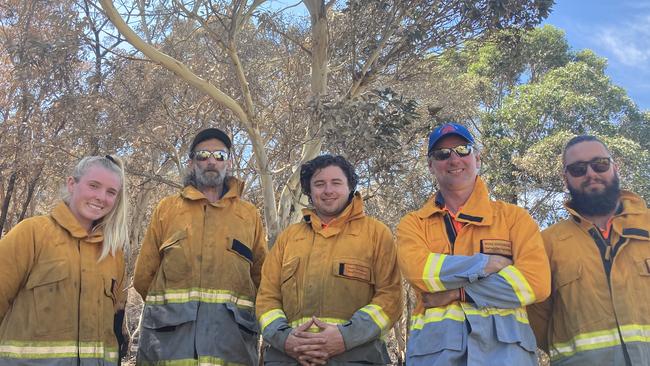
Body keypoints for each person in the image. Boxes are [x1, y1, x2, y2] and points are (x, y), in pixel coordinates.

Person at [396, 123, 551, 365]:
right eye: (442, 154)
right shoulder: (413, 224)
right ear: (430, 165)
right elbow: (419, 272)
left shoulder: (514, 218)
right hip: (435, 355)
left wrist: (459, 293)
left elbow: (535, 284)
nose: (454, 159)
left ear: (477, 158)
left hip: (506, 355)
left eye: (462, 149)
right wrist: (486, 264)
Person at [133, 127, 268, 365]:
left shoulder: (249, 215)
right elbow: (144, 278)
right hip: (169, 350)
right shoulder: (166, 210)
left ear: (229, 163)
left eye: (220, 156)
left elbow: (263, 279)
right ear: (191, 163)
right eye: (203, 155)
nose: (211, 162)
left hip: (232, 348)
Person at [256, 155, 402, 365]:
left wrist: (344, 337)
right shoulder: (288, 238)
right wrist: (285, 339)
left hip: (357, 359)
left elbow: (391, 298)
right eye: (319, 184)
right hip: (289, 359)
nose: (328, 190)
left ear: (350, 186)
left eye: (336, 183)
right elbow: (266, 299)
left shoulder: (377, 234)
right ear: (309, 191)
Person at [528, 135, 650, 365]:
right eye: (578, 169)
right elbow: (539, 320)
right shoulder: (547, 244)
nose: (591, 174)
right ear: (566, 179)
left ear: (616, 167)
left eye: (600, 164)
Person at [0, 155, 129, 365]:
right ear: (72, 184)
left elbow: (113, 329)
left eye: (111, 192)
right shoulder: (32, 233)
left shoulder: (113, 253)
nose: (101, 197)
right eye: (93, 186)